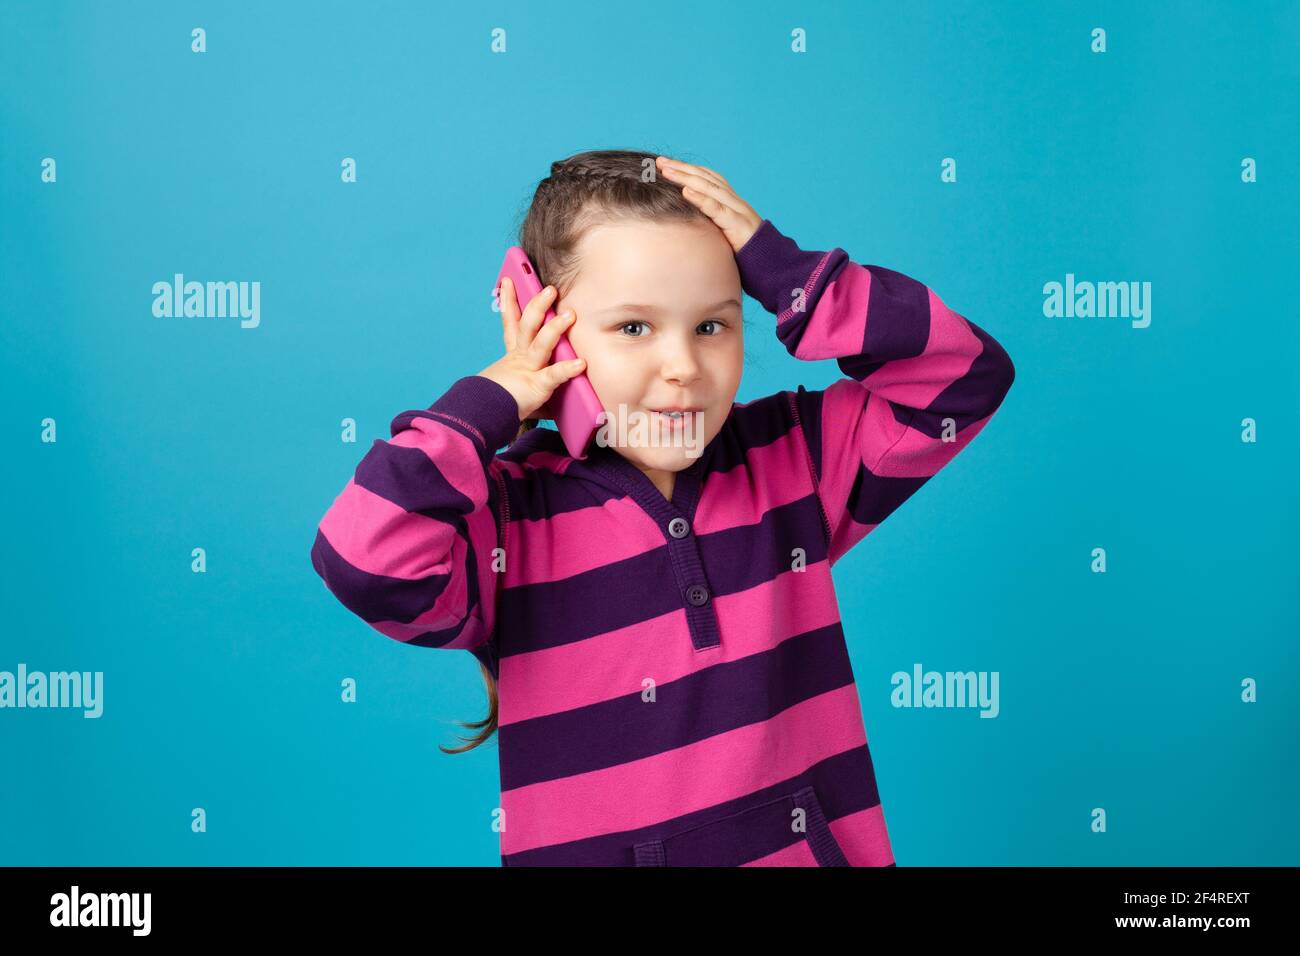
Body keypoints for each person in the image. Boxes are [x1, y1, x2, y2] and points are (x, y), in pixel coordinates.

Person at [310, 149, 1016, 866]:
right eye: (634, 329)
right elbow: (362, 558)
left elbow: (965, 380)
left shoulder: (793, 459)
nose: (682, 366)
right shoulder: (506, 522)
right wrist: (491, 402)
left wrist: (790, 275)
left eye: (713, 325)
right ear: (541, 325)